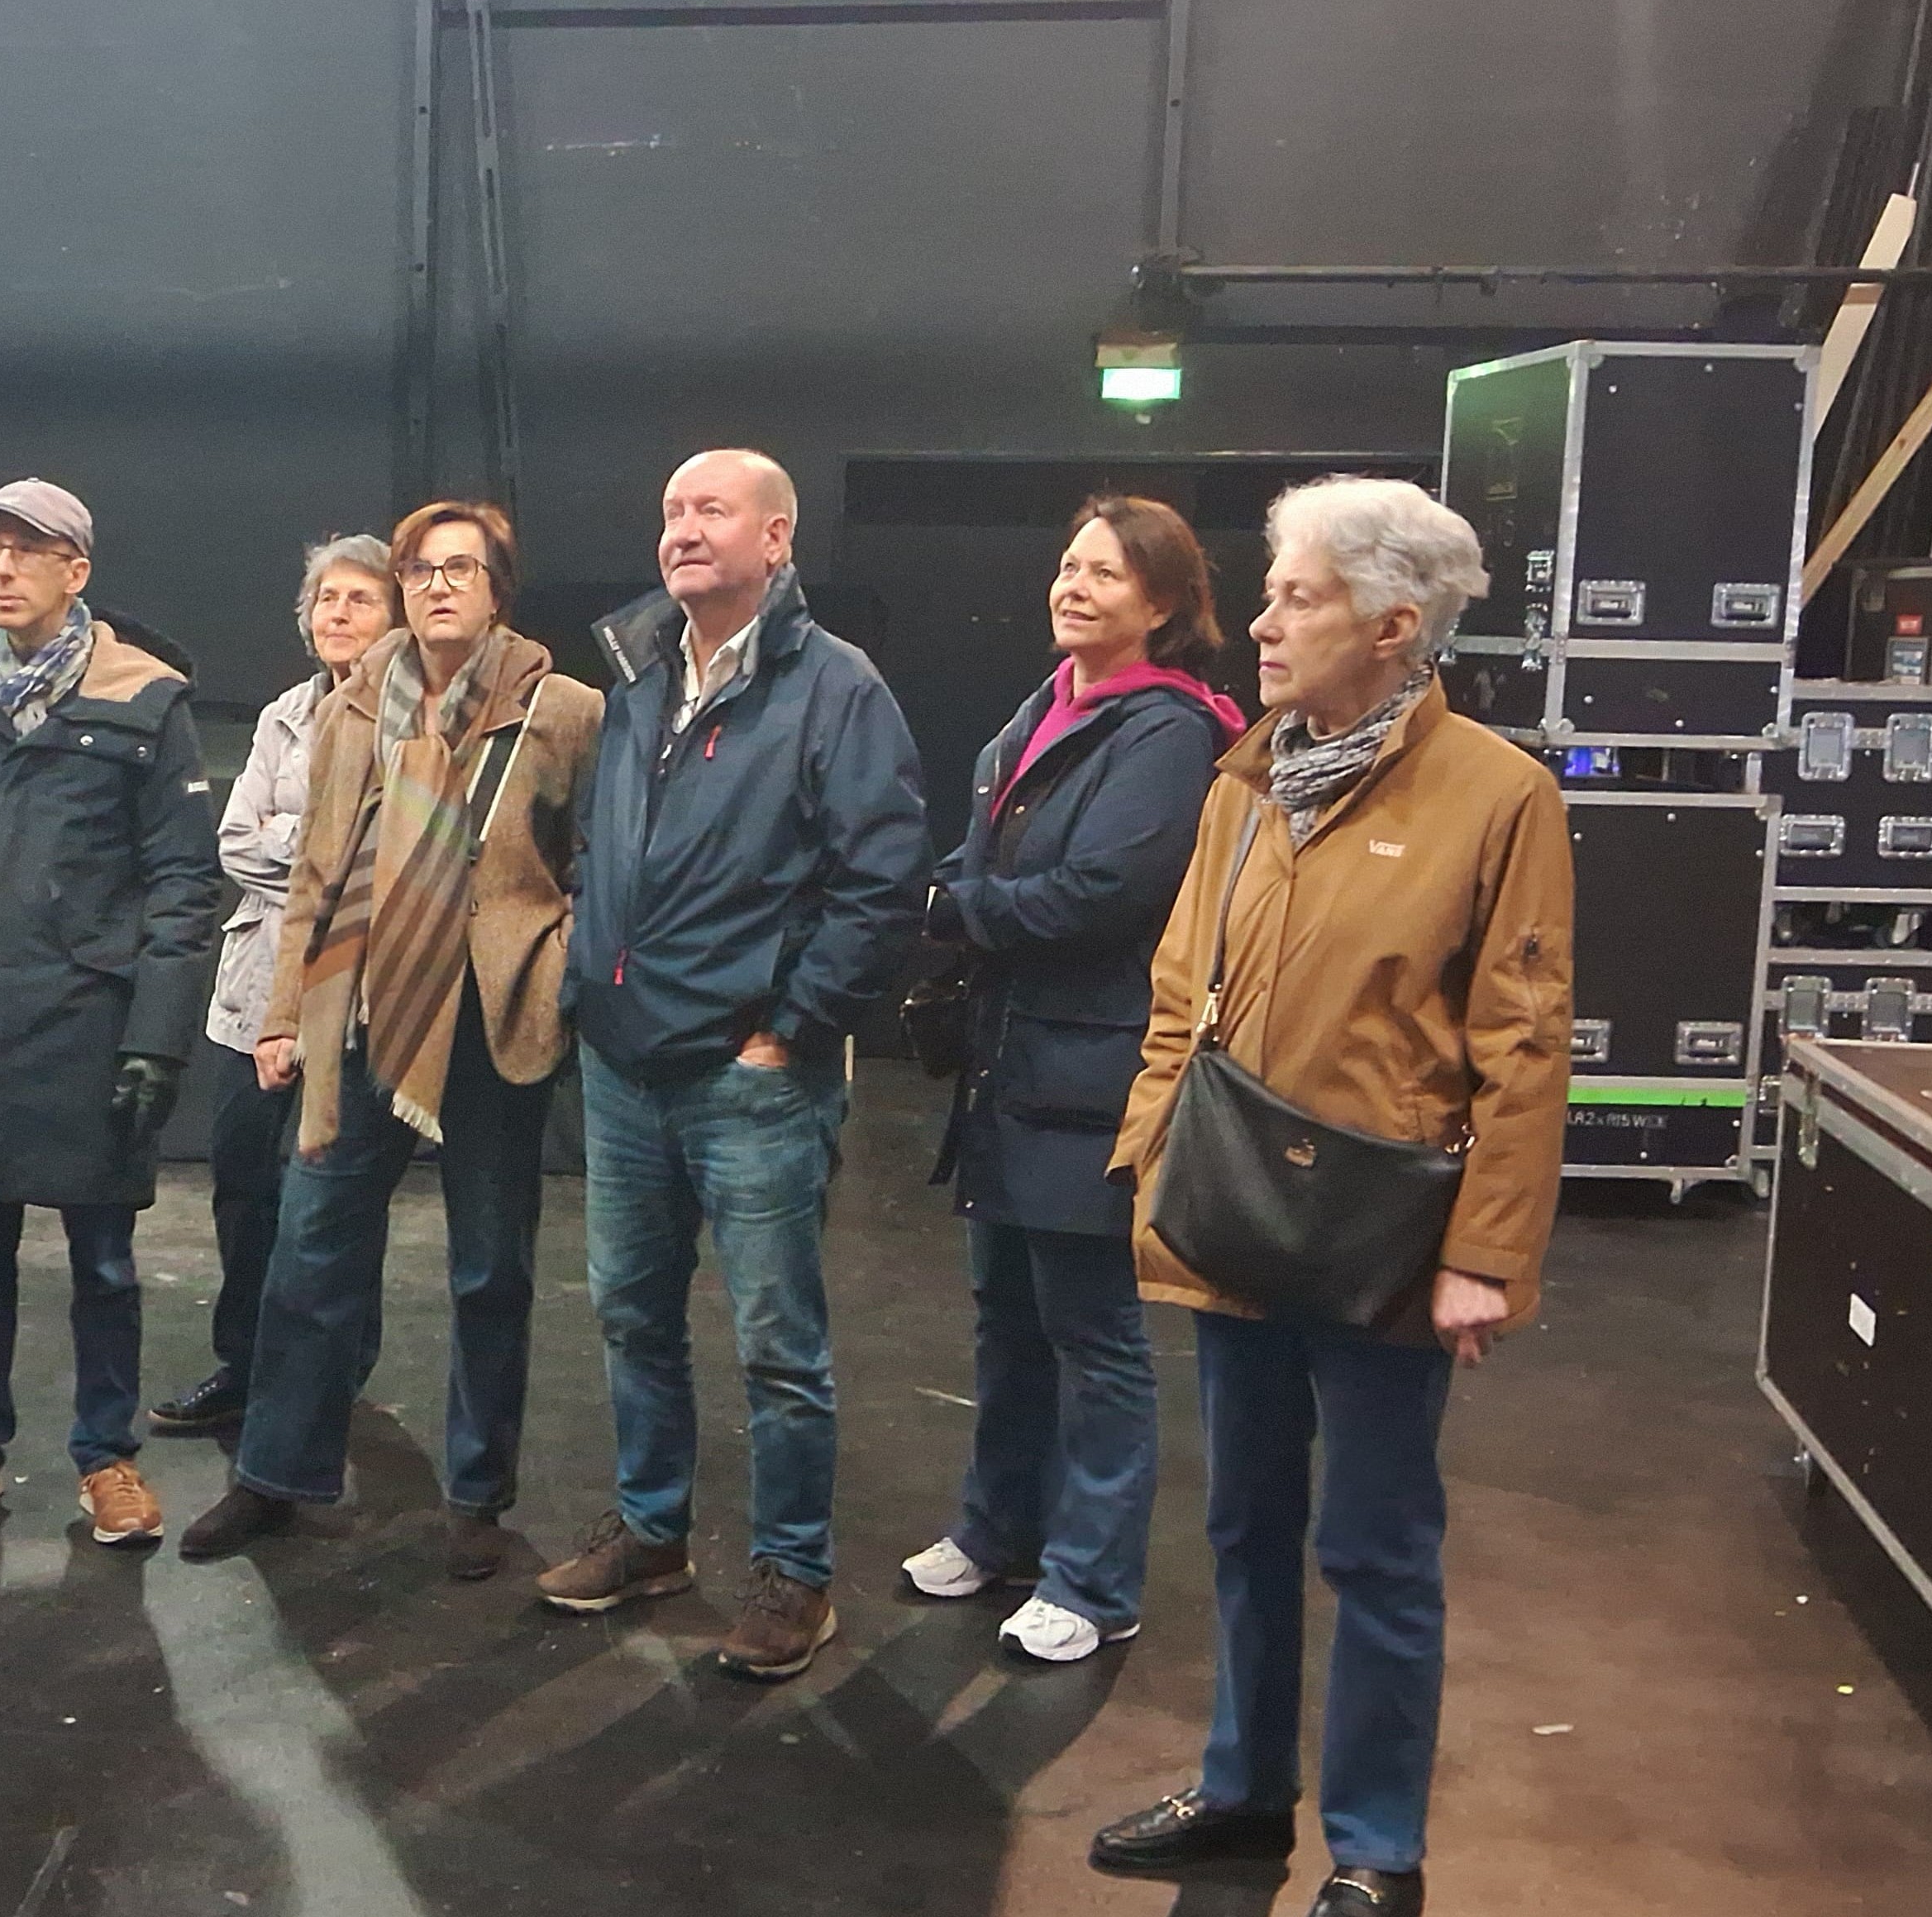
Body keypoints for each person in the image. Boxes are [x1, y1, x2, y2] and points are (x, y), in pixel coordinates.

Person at [1086, 474, 1571, 1917]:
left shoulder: (1499, 797)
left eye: (1297, 597)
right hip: (1234, 1209)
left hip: (1383, 1237)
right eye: (1273, 595)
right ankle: (1244, 1790)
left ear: (1394, 625)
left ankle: (1376, 1847)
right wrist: (1152, 1154)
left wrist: (1486, 1255)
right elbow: (1184, 989)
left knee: (1374, 1546)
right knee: (1242, 1523)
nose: (1265, 624)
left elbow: (1526, 1042)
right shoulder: (1248, 778)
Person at [539, 449, 928, 1678]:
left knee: (777, 1346)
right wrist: (587, 985)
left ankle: (794, 1576)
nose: (683, 529)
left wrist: (794, 1029)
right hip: (625, 1066)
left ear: (777, 539)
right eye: (671, 511)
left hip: (748, 1077)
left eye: (712, 509)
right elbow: (602, 848)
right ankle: (652, 1533)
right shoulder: (637, 675)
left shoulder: (837, 688)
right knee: (631, 1315)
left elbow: (880, 883)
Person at [179, 501, 604, 1577]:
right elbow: (315, 875)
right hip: (364, 1014)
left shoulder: (563, 711)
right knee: (310, 1251)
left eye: (462, 569)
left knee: (490, 1270)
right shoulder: (355, 708)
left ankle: (477, 1495)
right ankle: (274, 1473)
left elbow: (596, 863)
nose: (439, 586)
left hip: (492, 1023)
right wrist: (284, 1013)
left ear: (499, 590)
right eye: (421, 569)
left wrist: (551, 959)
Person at [904, 498, 1247, 1662]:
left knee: (1094, 1336)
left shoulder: (1172, 732)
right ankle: (997, 1531)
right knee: (1006, 1316)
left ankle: (1096, 1584)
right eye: (1067, 566)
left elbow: (1110, 892)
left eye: (1105, 573)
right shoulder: (1043, 710)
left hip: (1093, 1071)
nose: (1075, 586)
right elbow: (980, 854)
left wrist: (960, 912)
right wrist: (950, 893)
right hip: (1010, 1067)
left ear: (1164, 603)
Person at [0, 479, 221, 1548]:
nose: (2, 569)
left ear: (77, 570)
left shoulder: (145, 698)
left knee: (103, 1261)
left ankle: (107, 1456)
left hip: (89, 1021)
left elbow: (183, 884)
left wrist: (157, 1035)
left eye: (27, 551)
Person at [146, 534, 400, 1438]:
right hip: (256, 988)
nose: (338, 613)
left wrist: (318, 847)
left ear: (396, 618)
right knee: (243, 1180)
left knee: (333, 1192)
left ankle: (333, 1370)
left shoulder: (413, 716)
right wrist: (325, 847)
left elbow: (392, 848)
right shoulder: (283, 715)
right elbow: (235, 843)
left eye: (360, 599)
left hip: (358, 987)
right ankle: (245, 1364)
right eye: (327, 598)